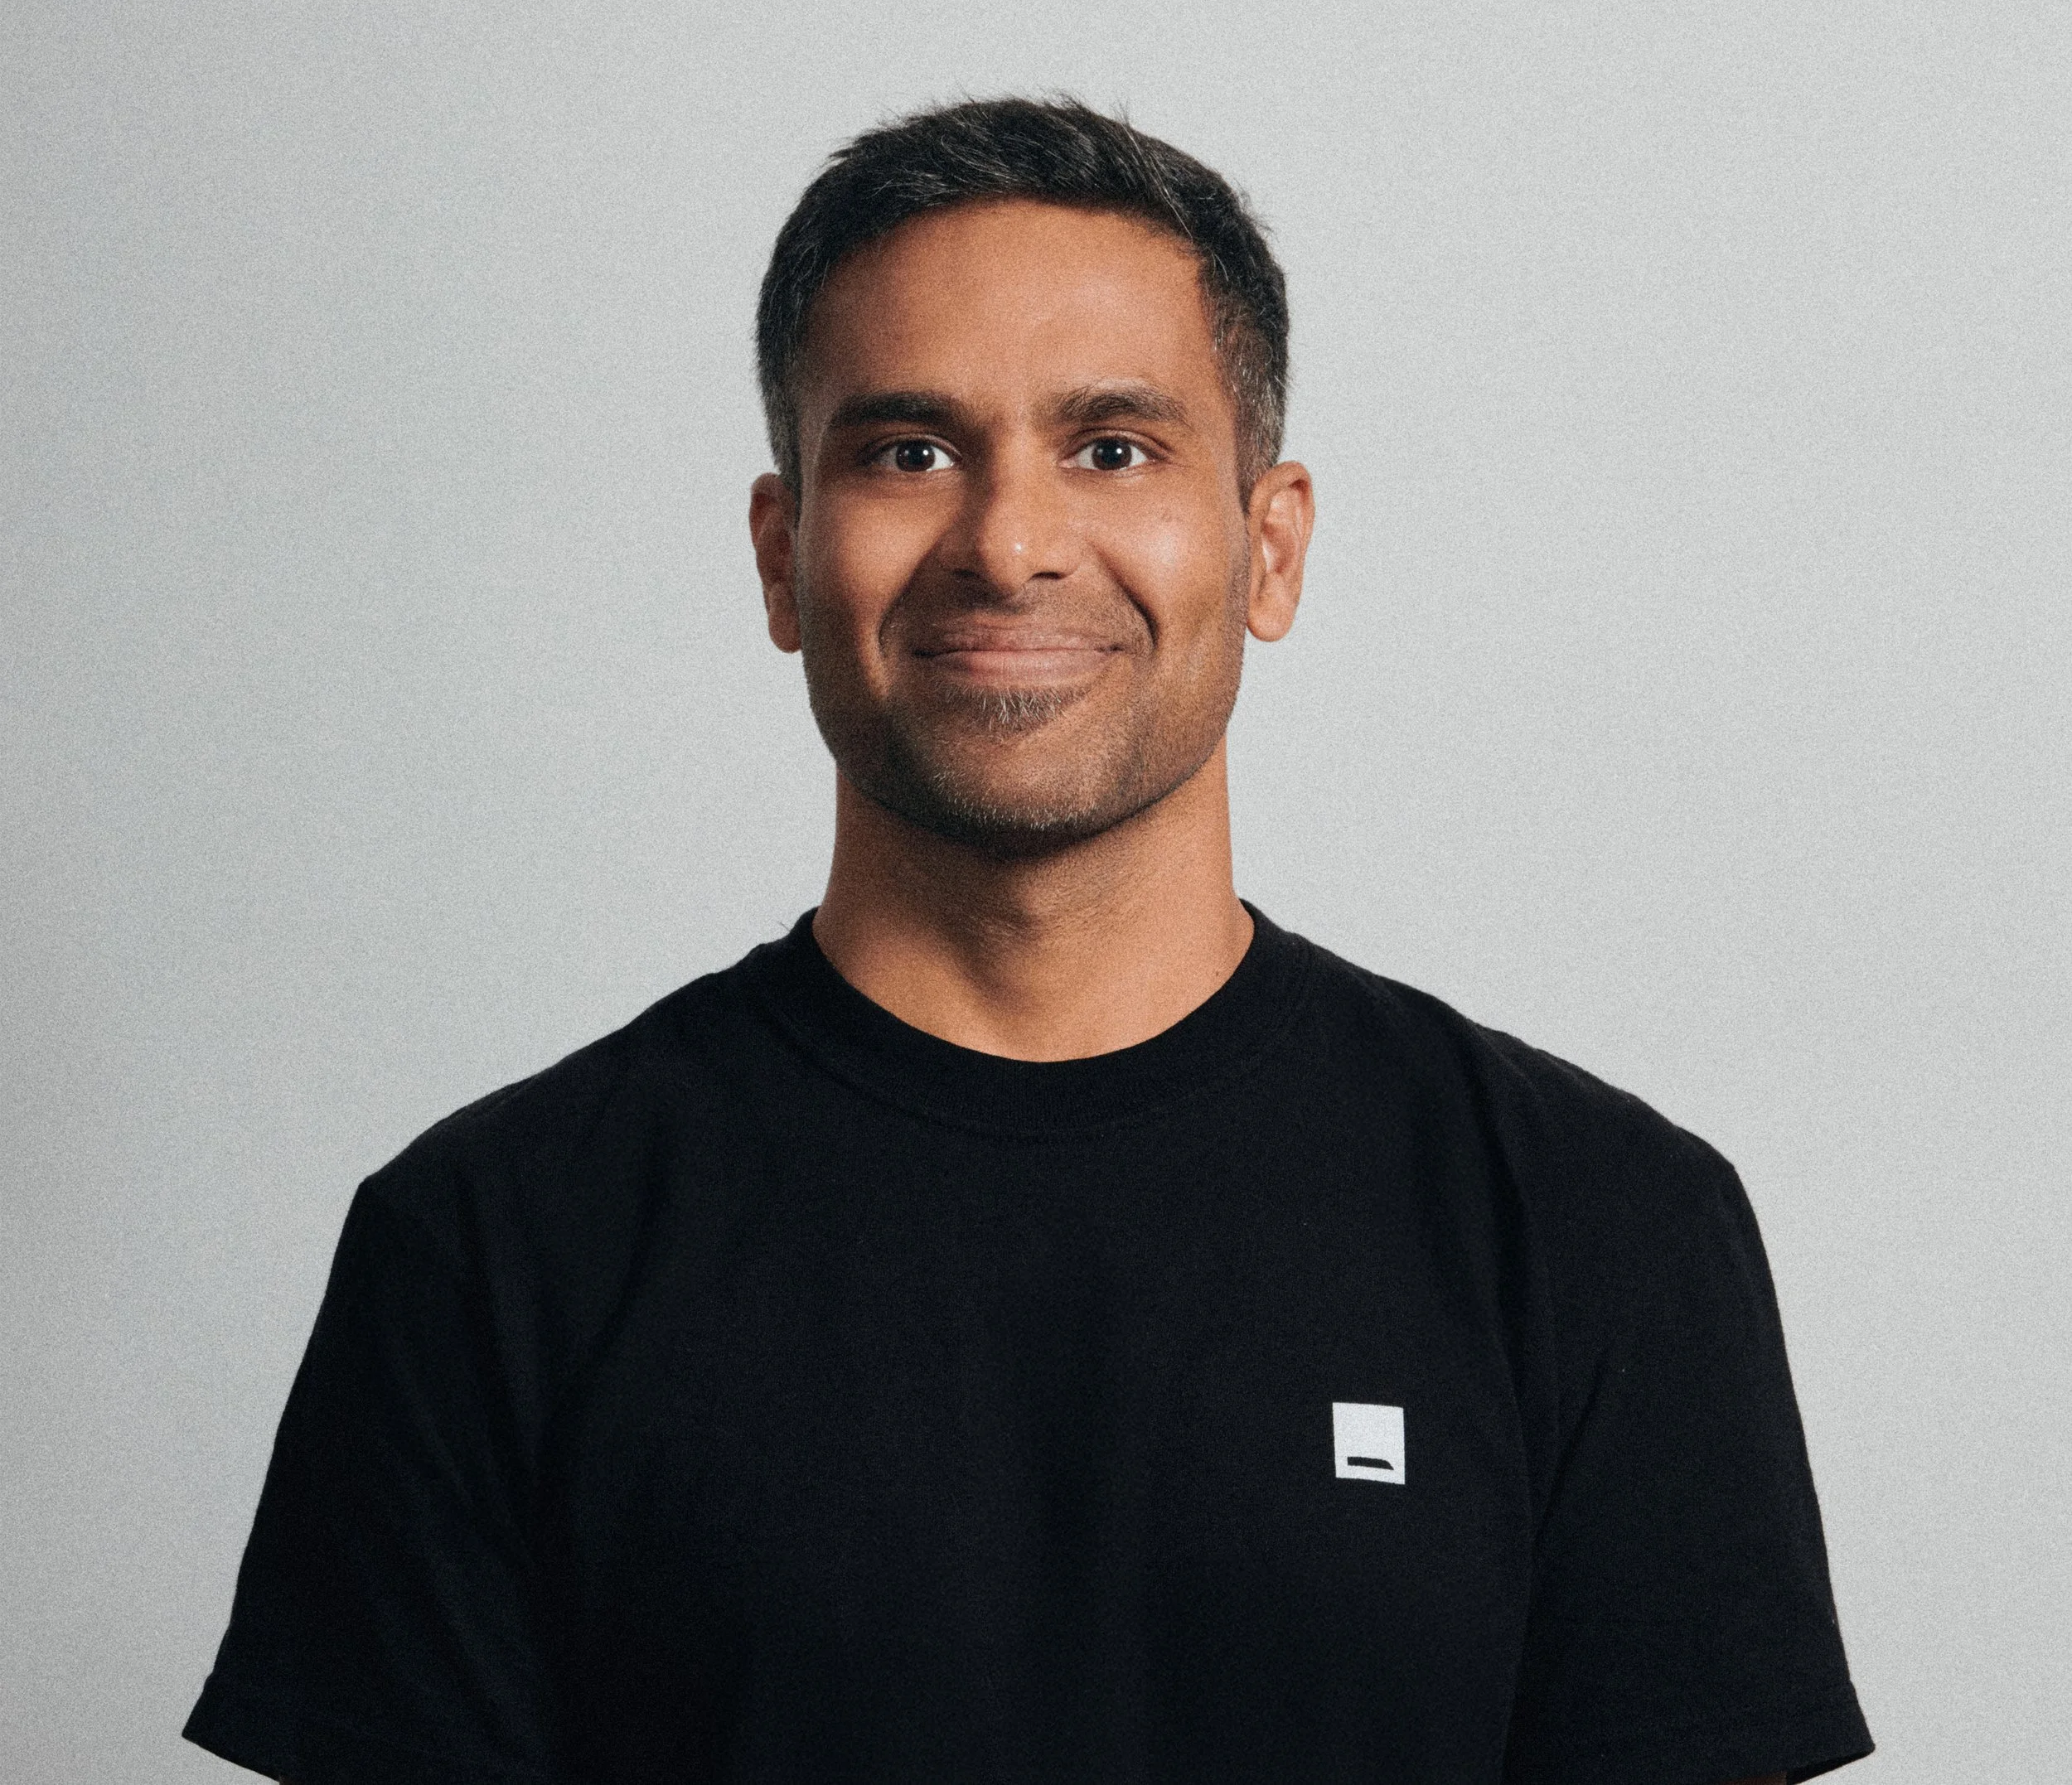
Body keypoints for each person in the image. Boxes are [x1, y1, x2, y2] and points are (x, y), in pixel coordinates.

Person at [185, 98, 1872, 1785]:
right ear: (783, 558)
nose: (1006, 540)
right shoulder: (494, 1246)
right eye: (907, 450)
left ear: (1264, 544)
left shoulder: (1592, 1227)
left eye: (1111, 447)